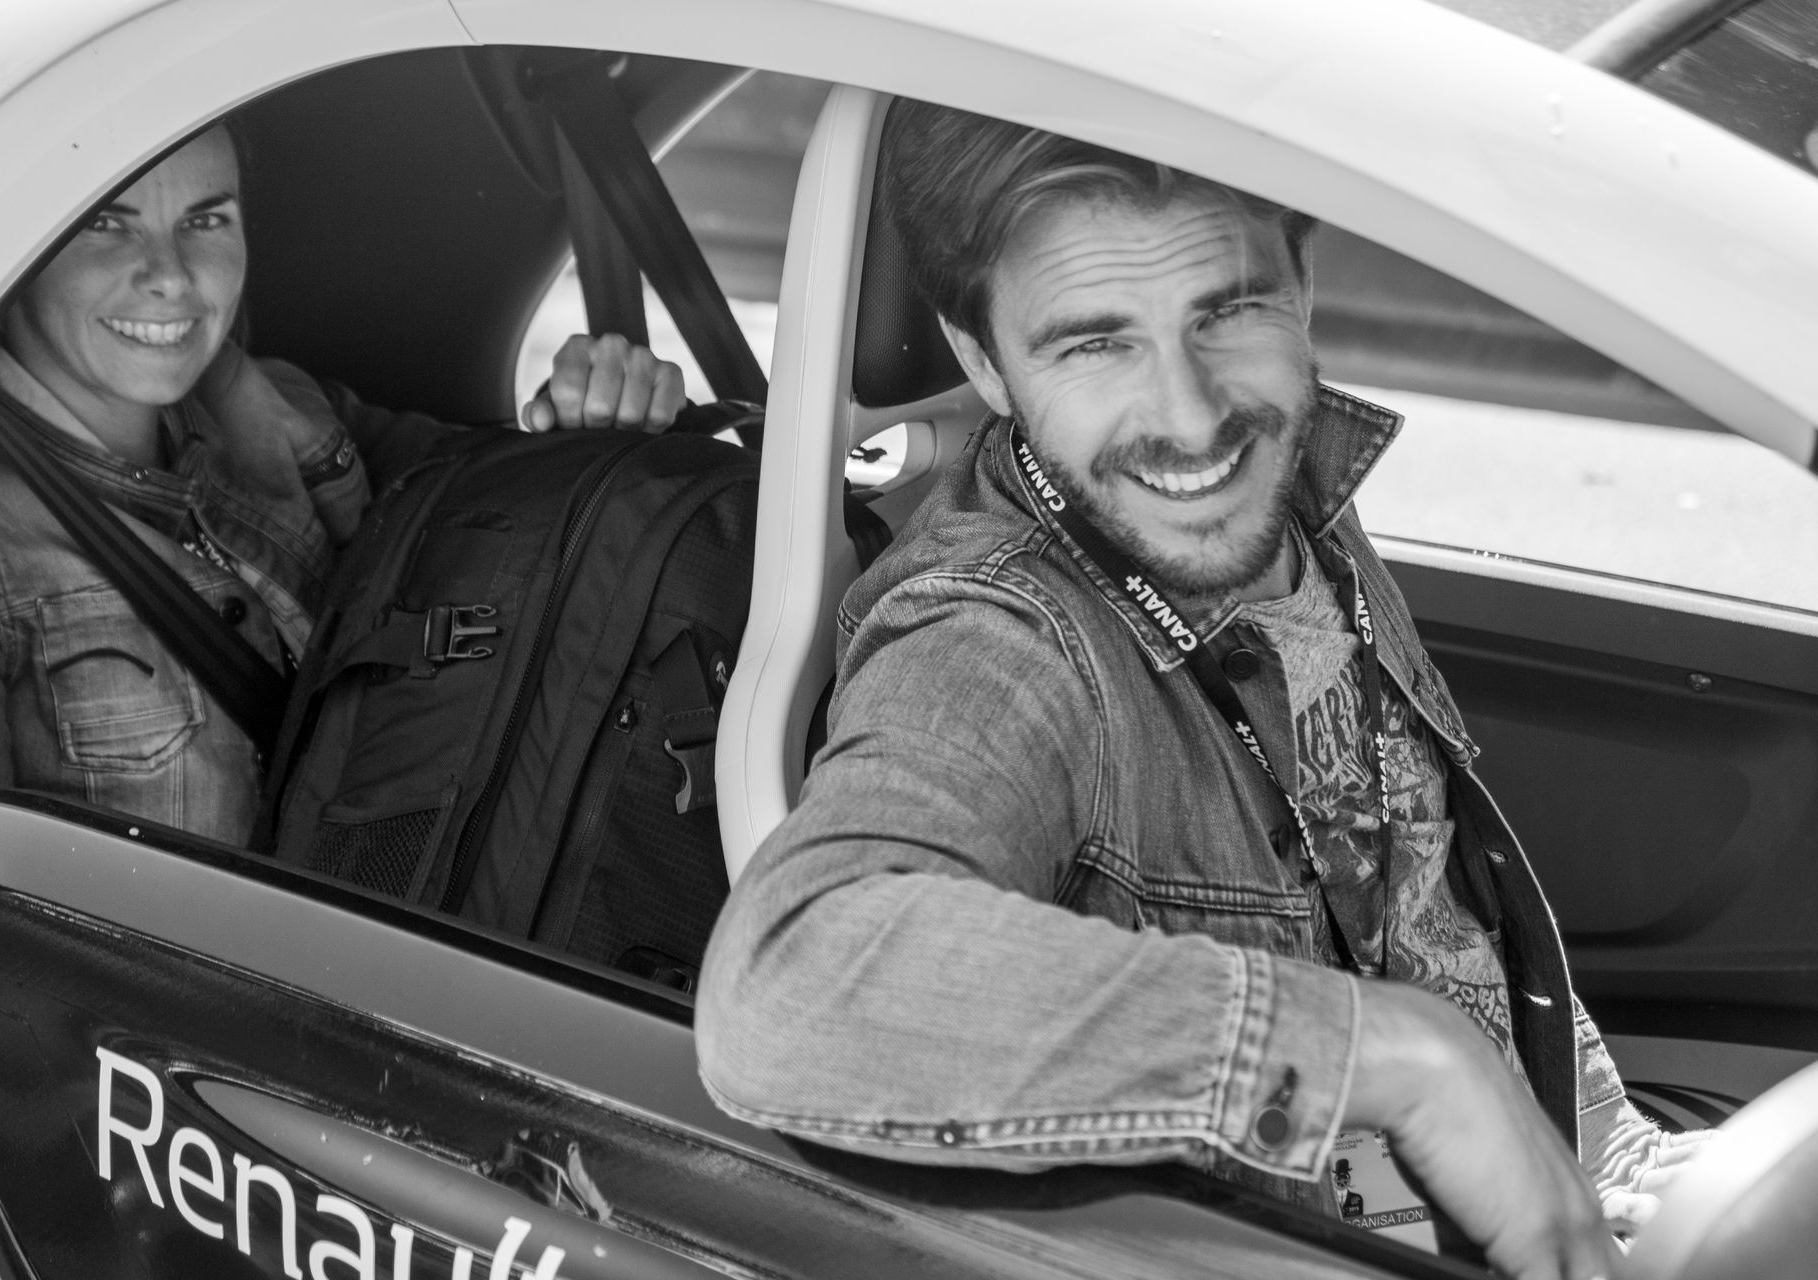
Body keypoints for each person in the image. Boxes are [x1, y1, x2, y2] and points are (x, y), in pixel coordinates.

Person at [695, 101, 1704, 1280]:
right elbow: (792, 983)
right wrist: (1398, 1060)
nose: (1192, 418)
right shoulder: (999, 635)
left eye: (1226, 311)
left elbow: (1419, 888)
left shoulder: (1276, 482)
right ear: (980, 361)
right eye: (1094, 343)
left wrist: (1607, 1146)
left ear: (1303, 284)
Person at [0, 123, 683, 845]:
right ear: (17, 249)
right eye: (105, 222)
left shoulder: (278, 405)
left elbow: (501, 511)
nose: (171, 275)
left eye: (207, 219)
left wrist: (583, 416)